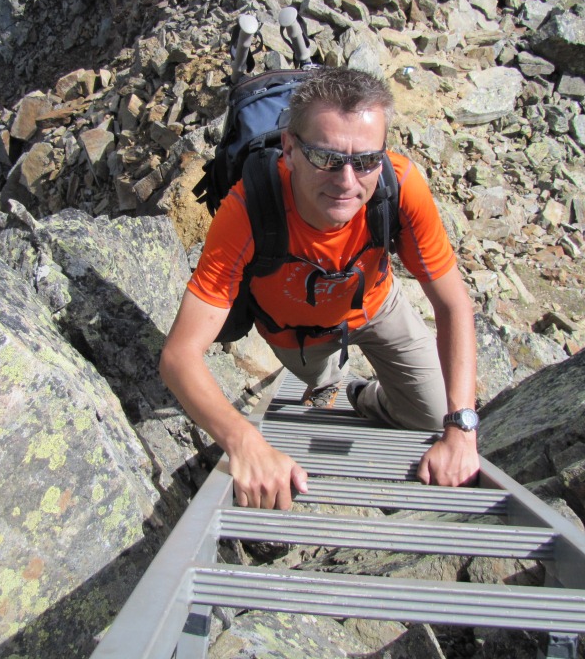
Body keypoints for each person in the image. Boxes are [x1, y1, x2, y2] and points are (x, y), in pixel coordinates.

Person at [160, 67, 478, 510]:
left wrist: (461, 427)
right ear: (290, 149)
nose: (347, 181)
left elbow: (454, 305)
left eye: (366, 161)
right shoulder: (249, 208)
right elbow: (179, 355)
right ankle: (338, 385)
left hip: (378, 305)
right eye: (326, 158)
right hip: (300, 334)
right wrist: (244, 441)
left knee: (433, 416)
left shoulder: (401, 186)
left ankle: (366, 397)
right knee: (324, 383)